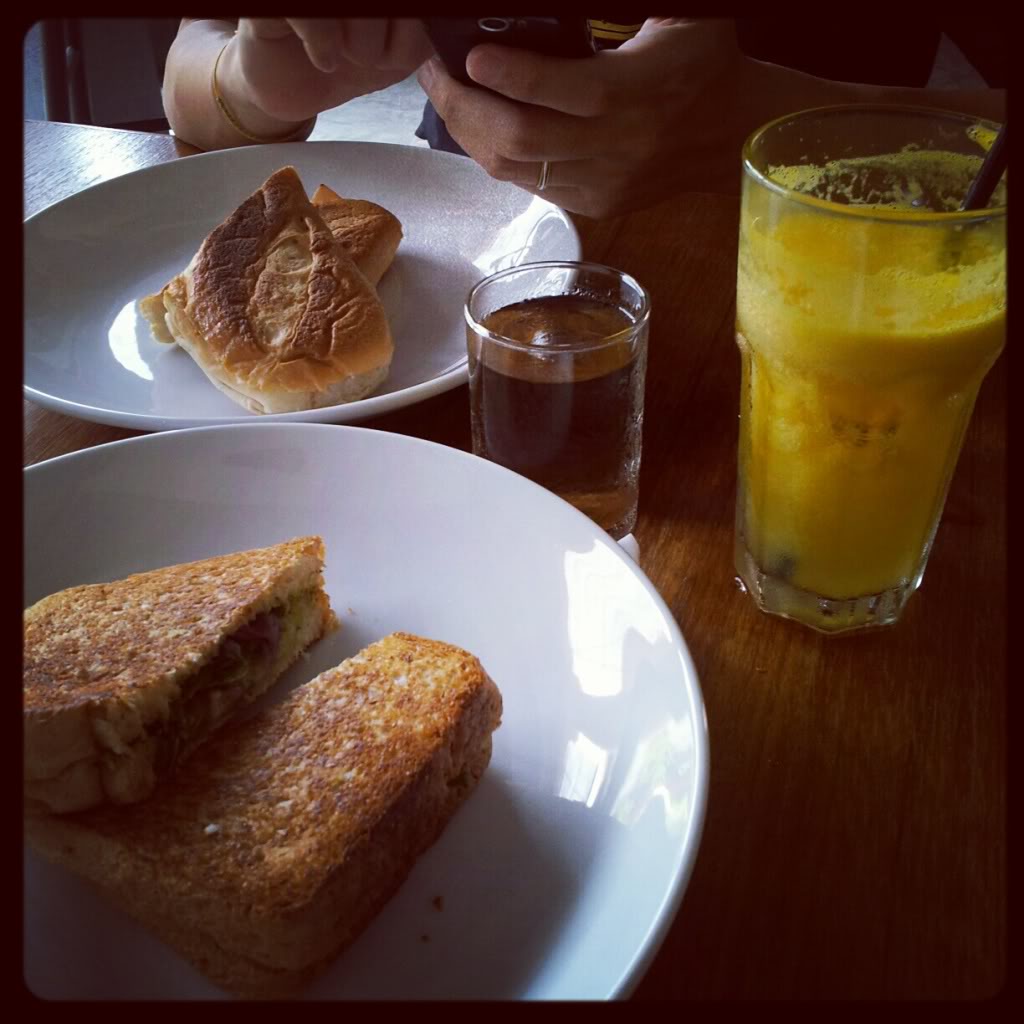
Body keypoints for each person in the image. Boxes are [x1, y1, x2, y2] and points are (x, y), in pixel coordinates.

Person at [162, 18, 1006, 218]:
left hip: (855, 286)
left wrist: (798, 131)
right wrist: (254, 87)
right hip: (454, 294)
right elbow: (189, 64)